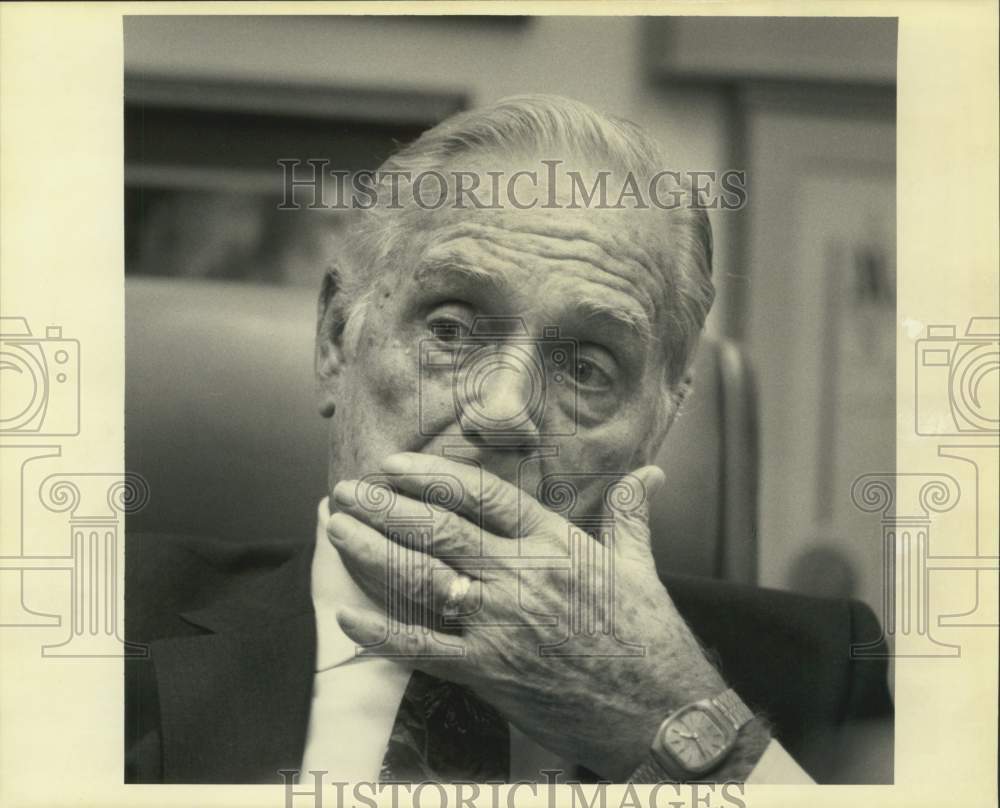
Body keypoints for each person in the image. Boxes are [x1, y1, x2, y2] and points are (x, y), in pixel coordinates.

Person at [125, 95, 893, 785]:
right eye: (452, 329)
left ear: (661, 417)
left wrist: (667, 717)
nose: (501, 409)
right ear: (336, 340)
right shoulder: (93, 619)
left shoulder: (822, 677)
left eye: (588, 368)